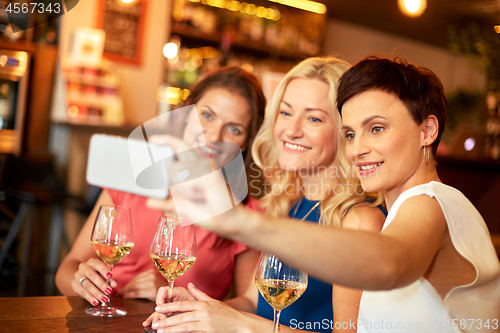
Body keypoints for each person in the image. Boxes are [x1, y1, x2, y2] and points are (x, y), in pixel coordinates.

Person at [147, 56, 500, 333]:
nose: (359, 148)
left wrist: (237, 221)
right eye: (350, 133)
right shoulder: (302, 204)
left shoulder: (431, 201)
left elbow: (390, 263)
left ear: (427, 129)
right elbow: (260, 305)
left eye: (376, 128)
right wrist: (204, 311)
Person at [145, 57, 387, 333]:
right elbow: (252, 301)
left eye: (314, 118)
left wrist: (239, 326)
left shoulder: (359, 220)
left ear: (345, 131)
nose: (291, 130)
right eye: (285, 113)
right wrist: (202, 308)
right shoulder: (286, 204)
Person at [55, 66, 266, 308]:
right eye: (206, 115)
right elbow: (66, 269)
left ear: (244, 144)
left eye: (234, 129)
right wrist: (83, 280)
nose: (214, 135)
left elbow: (251, 305)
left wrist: (185, 301)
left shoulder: (245, 217)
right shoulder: (133, 181)